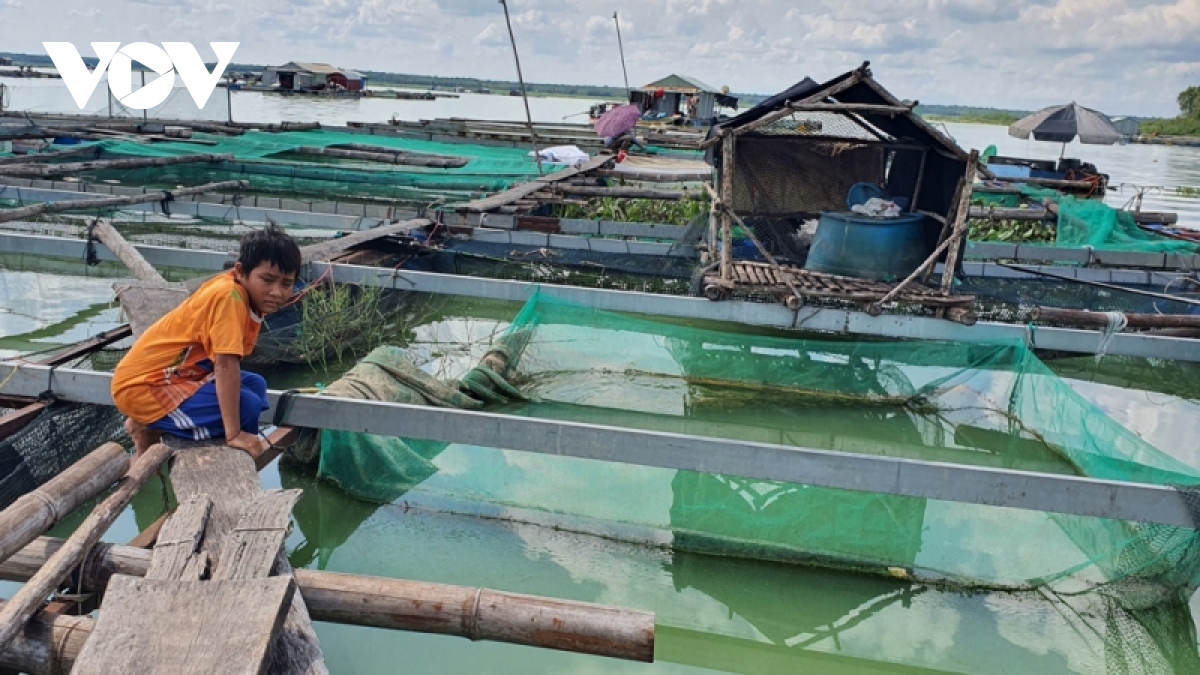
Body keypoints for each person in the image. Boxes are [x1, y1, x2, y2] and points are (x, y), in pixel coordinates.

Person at [111, 224, 301, 463]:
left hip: (173, 376)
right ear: (241, 271)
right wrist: (234, 434)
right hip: (143, 388)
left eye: (286, 283)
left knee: (256, 384)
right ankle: (149, 422)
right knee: (248, 407)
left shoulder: (240, 291)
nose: (277, 292)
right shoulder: (229, 298)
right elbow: (225, 365)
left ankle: (150, 424)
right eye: (268, 280)